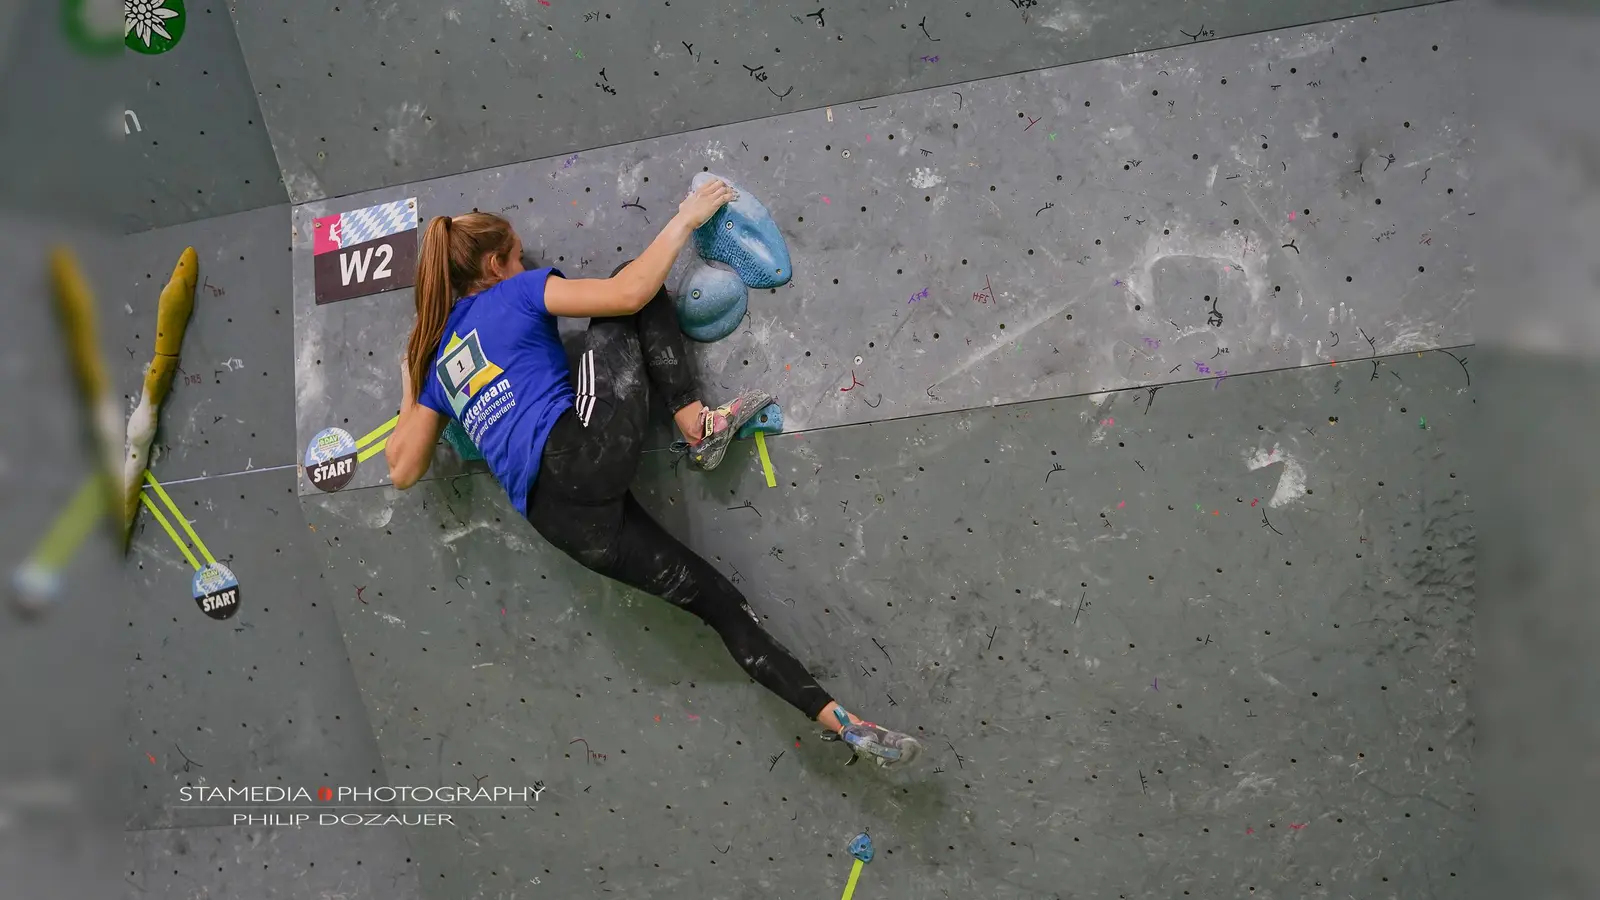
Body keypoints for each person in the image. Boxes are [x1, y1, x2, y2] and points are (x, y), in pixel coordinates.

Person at [384, 178, 921, 767]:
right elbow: (630, 292)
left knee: (718, 604)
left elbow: (404, 468)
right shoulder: (511, 295)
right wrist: (686, 217)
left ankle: (847, 726)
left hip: (563, 524)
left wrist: (415, 372)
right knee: (631, 276)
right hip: (578, 455)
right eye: (517, 257)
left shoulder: (439, 362)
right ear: (494, 266)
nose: (526, 265)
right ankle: (699, 427)